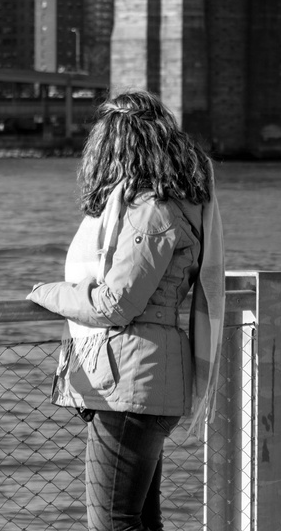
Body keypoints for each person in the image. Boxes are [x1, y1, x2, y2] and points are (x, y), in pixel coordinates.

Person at [27, 89, 225, 531]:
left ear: (121, 146)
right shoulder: (172, 205)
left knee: (112, 523)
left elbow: (116, 302)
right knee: (138, 521)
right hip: (143, 376)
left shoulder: (150, 212)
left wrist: (47, 292)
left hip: (132, 382)